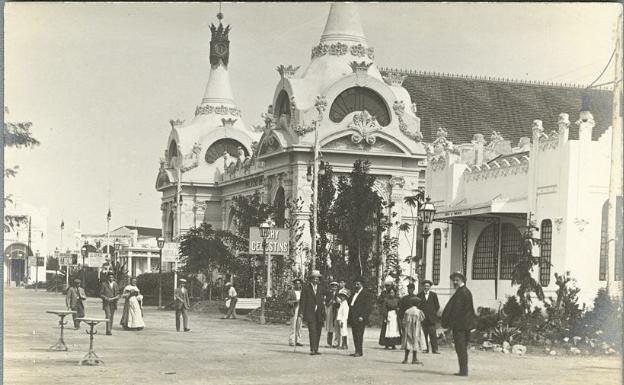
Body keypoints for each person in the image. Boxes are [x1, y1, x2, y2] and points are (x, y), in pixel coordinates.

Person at [441, 271, 477, 377]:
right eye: (454, 280)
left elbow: (457, 311)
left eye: (457, 280)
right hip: (464, 325)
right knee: (462, 348)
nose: (455, 282)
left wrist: (450, 326)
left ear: (462, 280)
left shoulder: (462, 292)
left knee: (460, 348)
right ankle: (463, 370)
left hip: (460, 326)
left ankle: (463, 371)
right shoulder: (464, 291)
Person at [298, 270, 325, 355]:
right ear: (311, 279)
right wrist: (301, 312)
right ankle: (312, 349)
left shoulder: (321, 288)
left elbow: (326, 296)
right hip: (310, 313)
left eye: (317, 279)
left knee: (318, 331)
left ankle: (316, 349)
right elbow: (303, 301)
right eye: (314, 279)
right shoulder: (306, 288)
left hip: (320, 313)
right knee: (312, 331)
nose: (316, 280)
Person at [348, 277, 372, 357]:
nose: (356, 285)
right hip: (353, 317)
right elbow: (351, 304)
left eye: (358, 284)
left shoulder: (365, 294)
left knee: (359, 335)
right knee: (355, 334)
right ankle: (357, 351)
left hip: (360, 318)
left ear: (361, 284)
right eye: (355, 284)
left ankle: (359, 351)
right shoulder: (354, 294)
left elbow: (367, 307)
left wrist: (363, 316)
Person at [417, 280, 440, 354]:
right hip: (423, 318)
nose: (426, 287)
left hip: (431, 318)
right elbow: (418, 306)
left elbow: (437, 306)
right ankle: (425, 349)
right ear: (423, 286)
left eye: (428, 286)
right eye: (425, 286)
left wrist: (432, 313)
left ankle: (435, 349)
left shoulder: (433, 295)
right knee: (424, 334)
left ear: (430, 287)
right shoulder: (419, 295)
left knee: (433, 334)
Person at [401, 296, 426, 365]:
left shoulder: (407, 311)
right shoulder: (418, 312)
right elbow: (422, 319)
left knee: (408, 342)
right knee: (415, 342)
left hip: (408, 328)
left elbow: (404, 321)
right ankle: (414, 359)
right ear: (418, 304)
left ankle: (405, 359)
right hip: (416, 329)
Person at [286, 278, 304, 347]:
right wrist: (295, 301)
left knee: (299, 326)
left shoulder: (302, 292)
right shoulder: (291, 292)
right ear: (294, 284)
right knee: (293, 326)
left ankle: (298, 340)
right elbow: (287, 301)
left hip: (300, 310)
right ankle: (291, 340)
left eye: (299, 283)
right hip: (294, 309)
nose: (298, 284)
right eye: (296, 283)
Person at [324, 281, 339, 347]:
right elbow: (326, 303)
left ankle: (336, 342)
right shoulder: (328, 294)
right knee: (330, 326)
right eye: (333, 286)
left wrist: (336, 302)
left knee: (336, 326)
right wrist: (330, 301)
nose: (334, 288)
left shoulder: (339, 294)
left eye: (335, 287)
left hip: (336, 311)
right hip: (330, 310)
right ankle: (329, 342)